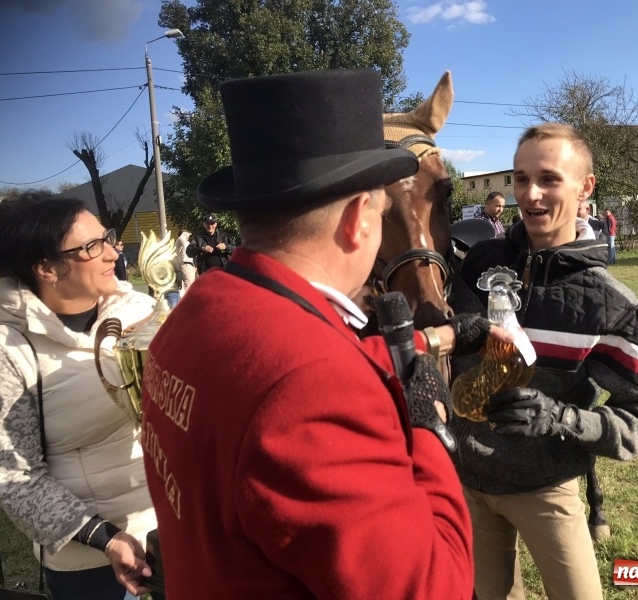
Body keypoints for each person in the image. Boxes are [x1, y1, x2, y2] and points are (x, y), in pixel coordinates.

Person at [140, 69, 513, 599]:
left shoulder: (194, 315)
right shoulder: (315, 387)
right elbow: (431, 588)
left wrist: (422, 346)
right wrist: (430, 432)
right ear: (361, 218)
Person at [449, 123, 638, 600]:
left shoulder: (608, 301)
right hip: (465, 484)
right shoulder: (475, 265)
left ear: (584, 186)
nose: (530, 194)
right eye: (520, 177)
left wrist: (560, 419)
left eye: (549, 178)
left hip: (546, 487)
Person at [0, 193, 163, 600]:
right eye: (91, 246)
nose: (113, 252)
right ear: (46, 267)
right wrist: (107, 539)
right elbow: (17, 478)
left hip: (172, 528)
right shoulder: (4, 351)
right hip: (91, 560)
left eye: (108, 238)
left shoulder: (142, 311)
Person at [173, 229, 196, 296]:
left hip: (190, 265)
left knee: (190, 284)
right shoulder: (179, 241)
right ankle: (187, 301)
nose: (188, 235)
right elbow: (181, 238)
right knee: (189, 284)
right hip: (185, 263)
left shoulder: (187, 242)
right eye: (185, 234)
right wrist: (185, 234)